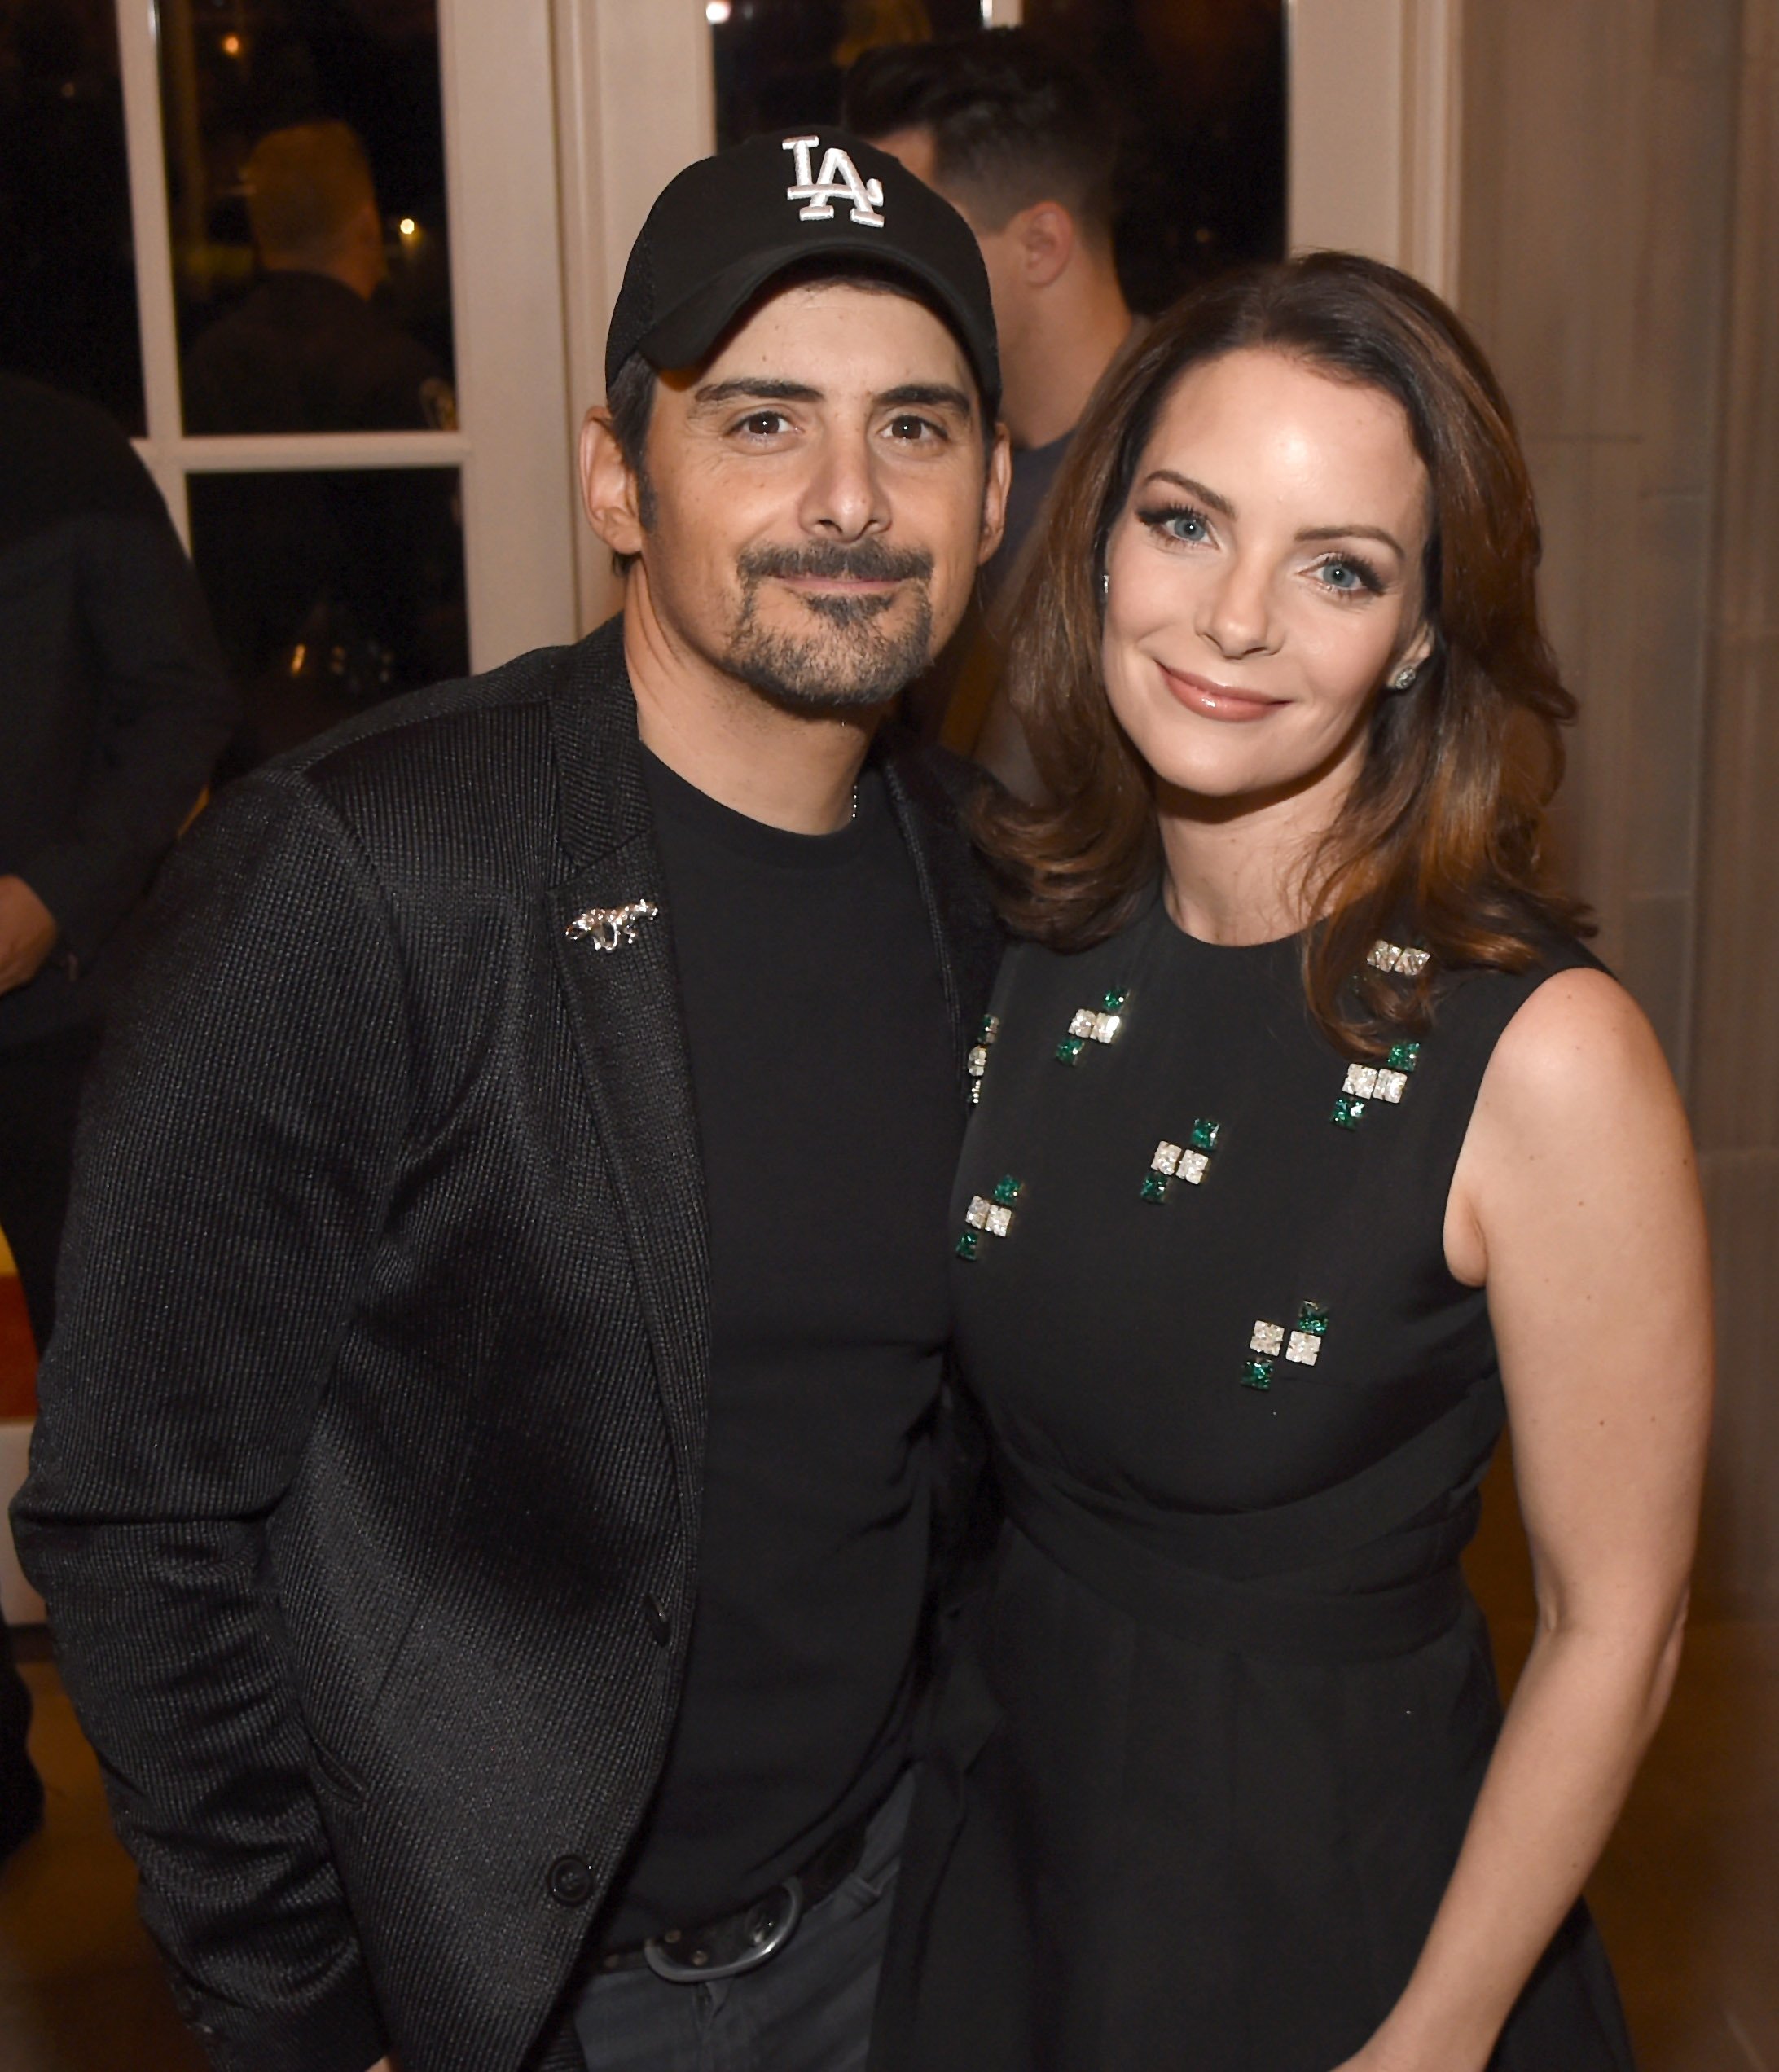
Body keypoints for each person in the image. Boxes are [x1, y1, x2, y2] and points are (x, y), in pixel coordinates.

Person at [15, 131, 1008, 2072]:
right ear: (615, 477)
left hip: (899, 1929)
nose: (848, 498)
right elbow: (139, 1505)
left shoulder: (984, 882)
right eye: (760, 422)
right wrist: (304, 2005)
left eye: (916, 425)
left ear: (990, 484)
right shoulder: (365, 875)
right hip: (513, 2003)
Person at [871, 253, 1712, 2072]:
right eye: (1187, 524)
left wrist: (1436, 2035)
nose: (1236, 619)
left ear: (1419, 635)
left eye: (1339, 567)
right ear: (1098, 542)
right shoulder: (1033, 943)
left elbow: (1616, 1627)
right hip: (1011, 1851)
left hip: (1339, 1922)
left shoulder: (1540, 1055)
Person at [0, 368, 235, 1868]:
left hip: (62, 1020)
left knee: (114, 1429)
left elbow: (182, 701)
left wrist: (51, 898)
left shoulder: (58, 452)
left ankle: (189, 1802)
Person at [844, 29, 1135, 786]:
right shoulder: (922, 447)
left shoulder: (1176, 476)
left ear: (1041, 244)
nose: (878, 276)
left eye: (915, 239)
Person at [182, 119, 464, 772]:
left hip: (242, 721)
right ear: (367, 224)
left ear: (261, 235)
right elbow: (437, 565)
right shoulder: (395, 368)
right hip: (389, 721)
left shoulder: (209, 364)